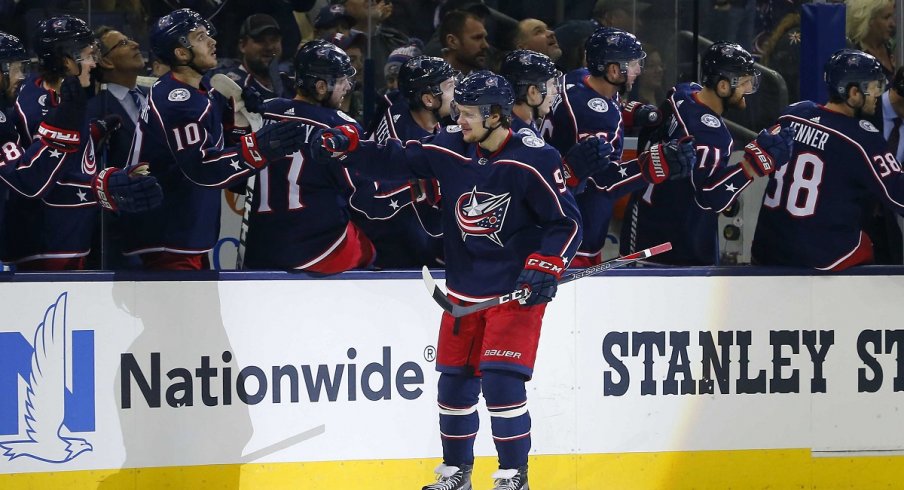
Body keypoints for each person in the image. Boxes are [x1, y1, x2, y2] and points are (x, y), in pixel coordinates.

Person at [312, 71, 582, 490]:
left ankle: (515, 475)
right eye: (459, 112)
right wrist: (349, 148)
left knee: (500, 382)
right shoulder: (453, 147)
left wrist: (548, 263)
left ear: (497, 115)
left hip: (514, 292)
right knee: (454, 385)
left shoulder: (535, 156)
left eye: (470, 114)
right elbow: (397, 159)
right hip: (461, 291)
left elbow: (564, 222)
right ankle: (457, 472)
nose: (461, 121)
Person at [123, 8, 307, 270]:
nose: (212, 41)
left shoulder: (200, 90)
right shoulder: (178, 101)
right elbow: (202, 168)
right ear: (181, 52)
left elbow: (220, 148)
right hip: (166, 238)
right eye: (200, 37)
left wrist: (238, 121)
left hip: (185, 233)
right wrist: (258, 148)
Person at [620, 41, 795, 265]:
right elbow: (711, 196)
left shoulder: (682, 94)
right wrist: (753, 165)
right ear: (723, 86)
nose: (748, 90)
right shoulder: (711, 136)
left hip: (640, 226)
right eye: (744, 83)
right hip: (674, 250)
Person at [752, 49, 904, 270]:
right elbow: (899, 196)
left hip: (766, 250)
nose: (878, 94)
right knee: (868, 244)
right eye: (873, 87)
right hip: (821, 257)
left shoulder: (793, 113)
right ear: (853, 93)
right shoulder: (861, 137)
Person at [241, 39, 376, 273]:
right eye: (342, 81)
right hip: (319, 251)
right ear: (322, 87)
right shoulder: (340, 126)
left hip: (260, 250)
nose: (347, 87)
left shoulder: (262, 111)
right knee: (372, 249)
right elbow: (364, 195)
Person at [543, 27, 661, 266]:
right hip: (577, 227)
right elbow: (603, 182)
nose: (638, 70)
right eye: (633, 64)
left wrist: (631, 112)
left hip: (549, 209)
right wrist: (654, 166)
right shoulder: (597, 117)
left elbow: (606, 106)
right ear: (613, 70)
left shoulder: (579, 78)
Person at [355, 55, 456, 268]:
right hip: (387, 240)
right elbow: (371, 199)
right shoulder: (411, 142)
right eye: (449, 87)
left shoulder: (400, 104)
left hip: (379, 220)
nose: (456, 93)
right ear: (428, 100)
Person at [846, 0, 896, 84]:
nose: (893, 24)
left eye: (892, 16)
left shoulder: (891, 48)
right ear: (868, 21)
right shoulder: (853, 57)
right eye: (886, 17)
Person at [438, 10, 489, 75]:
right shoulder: (428, 82)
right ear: (452, 42)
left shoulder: (489, 81)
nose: (485, 45)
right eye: (477, 38)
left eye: (485, 38)